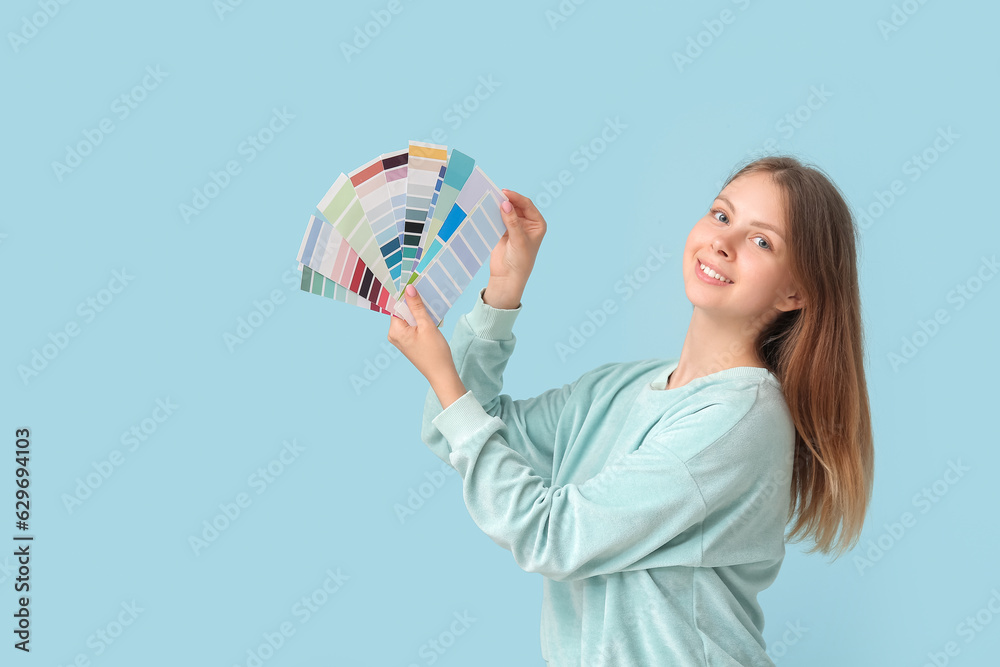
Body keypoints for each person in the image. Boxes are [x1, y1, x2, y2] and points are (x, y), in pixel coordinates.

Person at [387, 155, 874, 666]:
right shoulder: (617, 390)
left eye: (762, 241)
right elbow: (458, 431)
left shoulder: (740, 418)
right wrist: (502, 293)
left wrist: (444, 374)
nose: (722, 243)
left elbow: (553, 537)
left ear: (795, 291)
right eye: (722, 215)